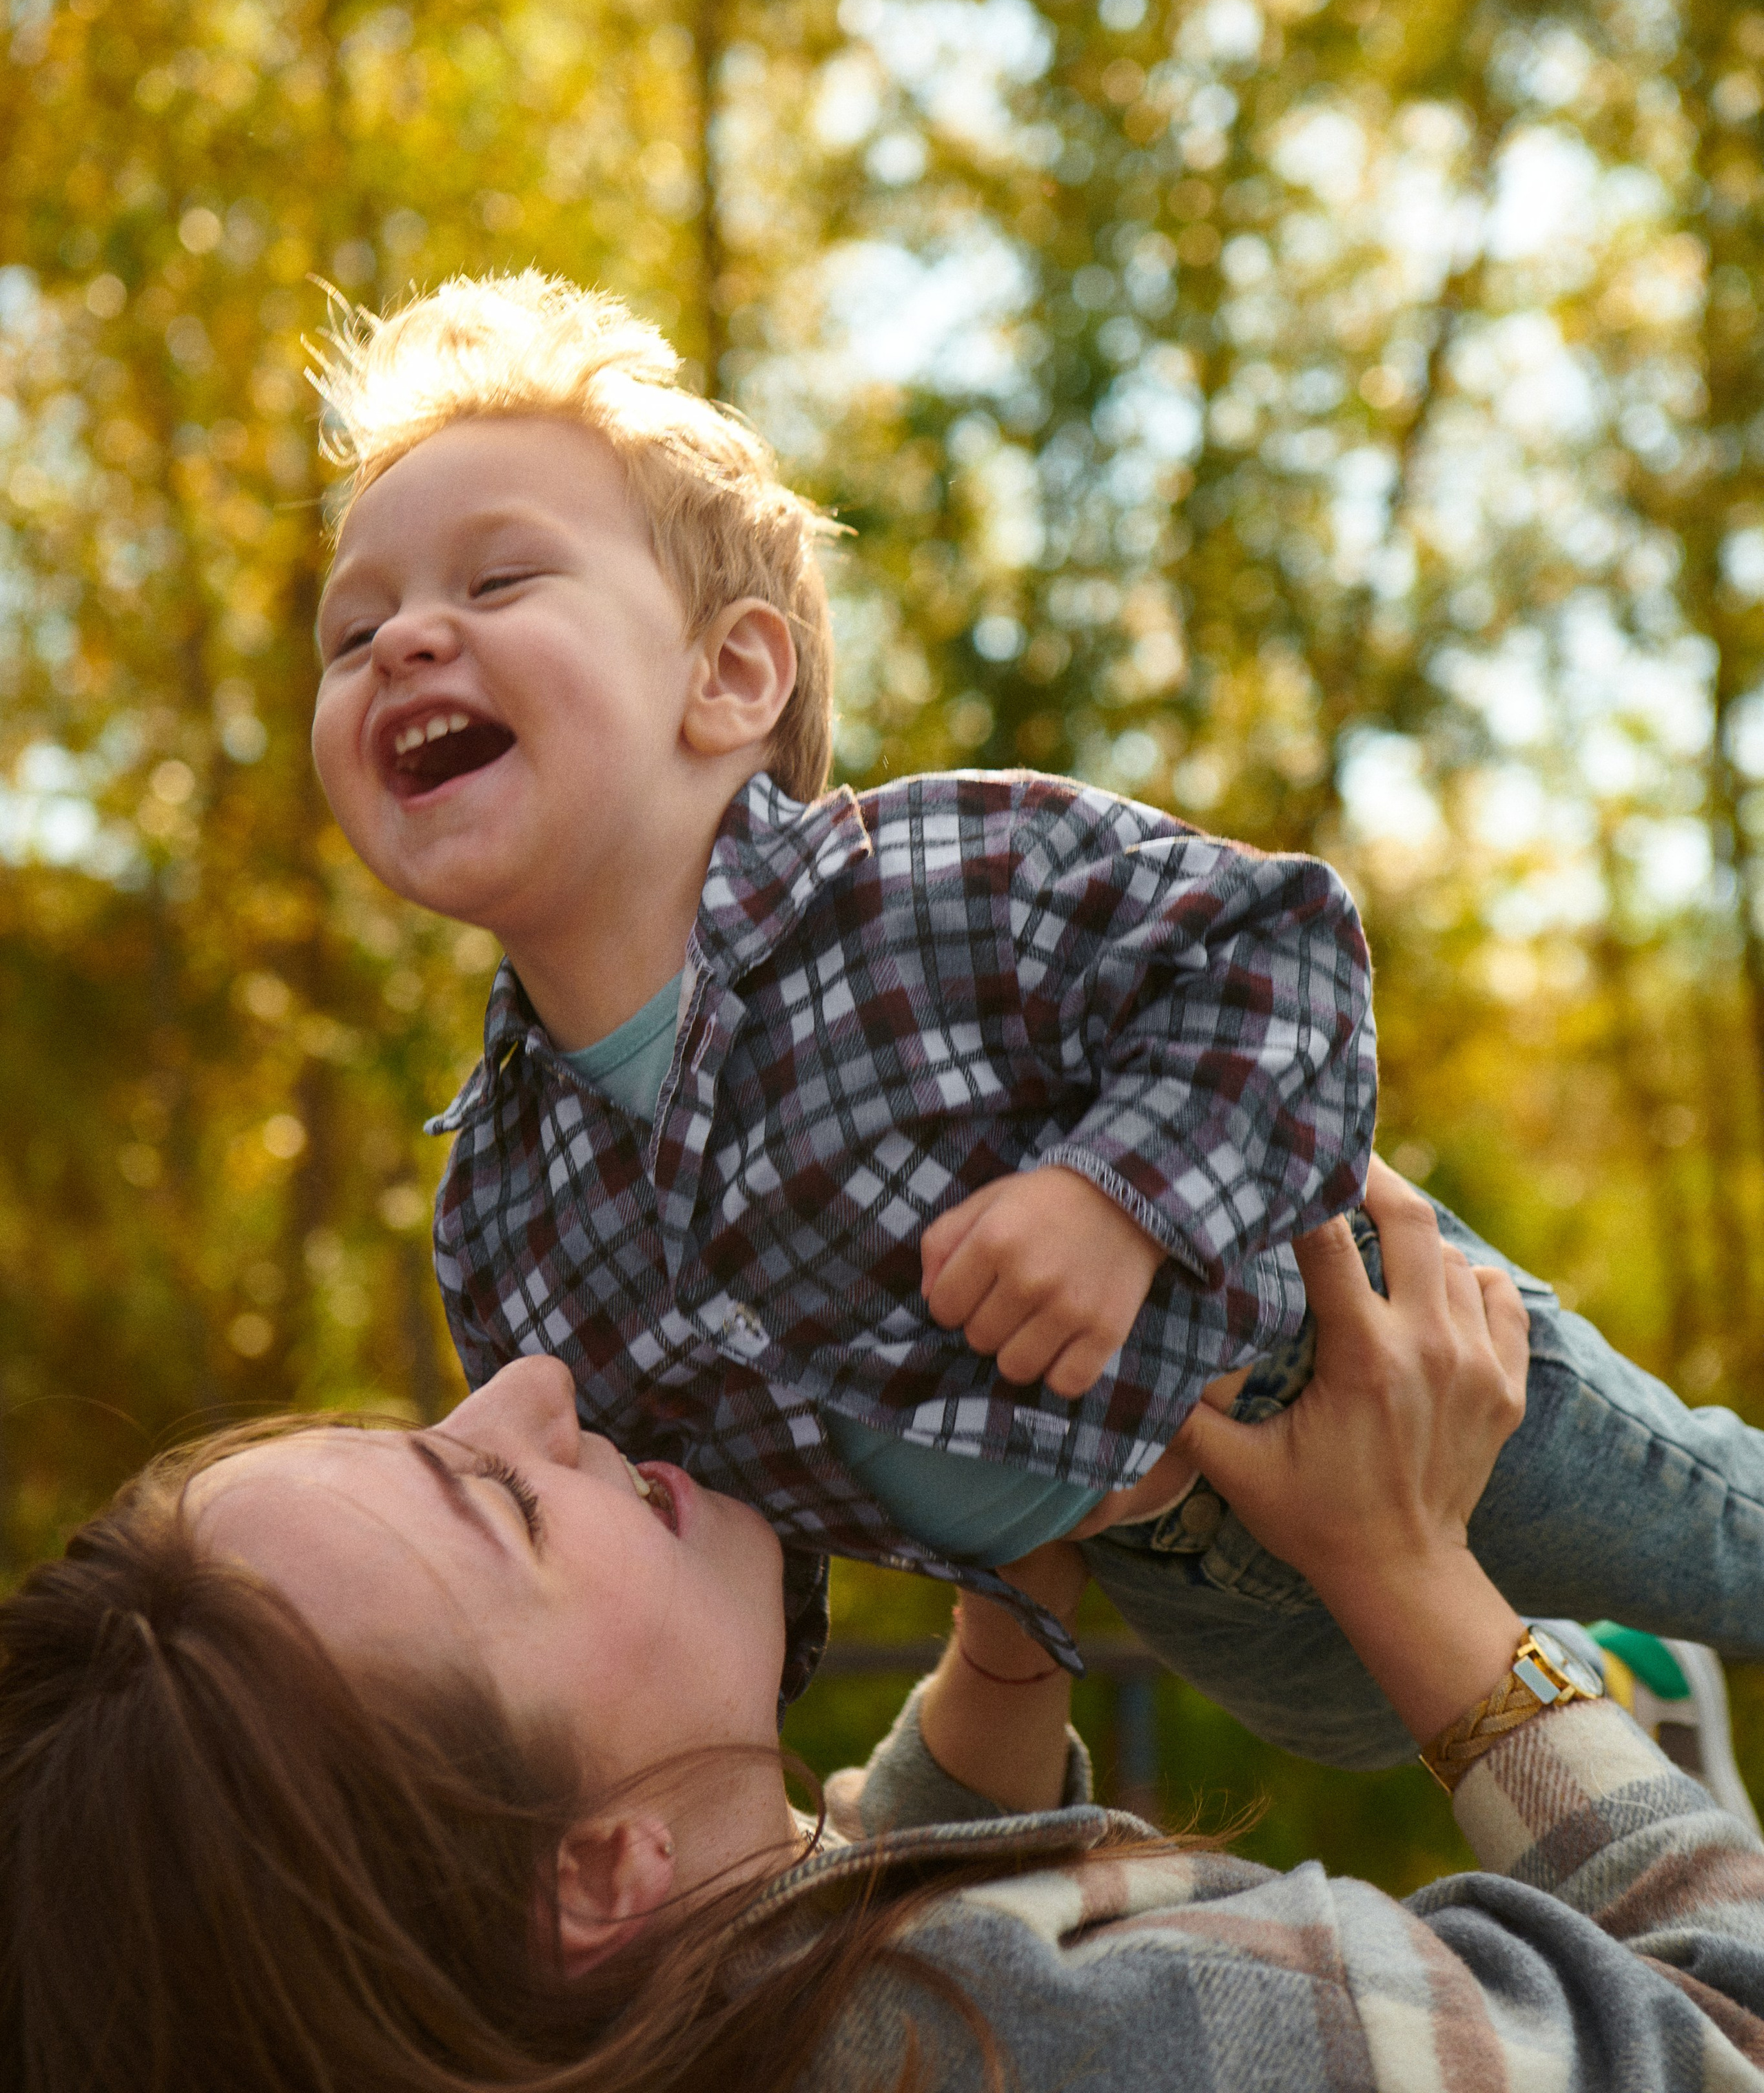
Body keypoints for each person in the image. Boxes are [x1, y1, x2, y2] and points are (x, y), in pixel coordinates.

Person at [307, 270, 1764, 1764]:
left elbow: (1276, 948)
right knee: (1361, 1725)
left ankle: (1646, 1654)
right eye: (352, 634)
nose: (407, 642)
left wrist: (1108, 1196)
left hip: (1346, 1355)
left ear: (728, 675)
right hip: (1151, 1562)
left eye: (493, 586)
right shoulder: (501, 1215)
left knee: (1728, 1546)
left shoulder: (933, 882)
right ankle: (1627, 1695)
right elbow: (656, 1519)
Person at [7, 1180, 1764, 2093]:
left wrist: (1005, 1638)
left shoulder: (631, 2024)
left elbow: (796, 1921)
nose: (531, 1388)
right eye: (506, 1507)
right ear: (597, 1871)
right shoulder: (1088, 2047)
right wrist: (1415, 1582)